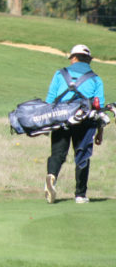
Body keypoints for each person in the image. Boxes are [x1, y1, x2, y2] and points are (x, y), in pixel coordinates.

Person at [44, 44, 105, 204]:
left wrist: (46, 123)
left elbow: (50, 100)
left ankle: (51, 176)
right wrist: (100, 132)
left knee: (58, 154)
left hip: (60, 117)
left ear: (74, 57)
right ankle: (80, 195)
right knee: (82, 154)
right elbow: (99, 108)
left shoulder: (60, 74)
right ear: (87, 60)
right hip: (85, 119)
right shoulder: (96, 78)